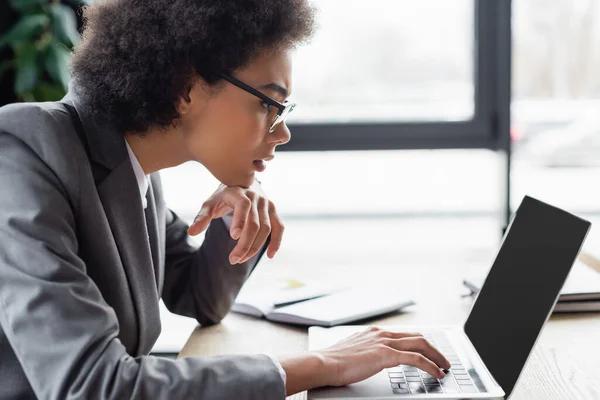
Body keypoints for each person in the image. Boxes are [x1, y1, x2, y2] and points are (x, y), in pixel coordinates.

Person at [0, 0, 450, 398]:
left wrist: (231, 220)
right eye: (268, 105)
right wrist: (322, 365)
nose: (283, 132)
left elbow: (199, 299)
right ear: (186, 91)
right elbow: (93, 386)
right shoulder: (25, 152)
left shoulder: (130, 168)